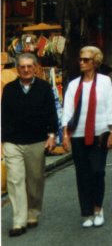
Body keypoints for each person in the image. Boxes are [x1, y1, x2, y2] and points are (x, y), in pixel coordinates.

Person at [1, 52, 59, 237]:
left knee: (35, 180)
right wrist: (2, 140)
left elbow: (52, 113)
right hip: (13, 142)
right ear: (18, 69)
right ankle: (19, 221)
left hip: (36, 141)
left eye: (29, 66)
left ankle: (33, 212)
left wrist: (52, 135)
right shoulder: (9, 89)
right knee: (15, 180)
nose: (26, 70)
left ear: (35, 67)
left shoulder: (44, 88)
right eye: (22, 66)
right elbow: (3, 116)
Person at [62, 46, 112, 228]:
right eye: (81, 59)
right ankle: (86, 213)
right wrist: (65, 134)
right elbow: (67, 110)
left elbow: (110, 106)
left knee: (97, 172)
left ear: (95, 63)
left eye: (86, 60)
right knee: (82, 174)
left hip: (100, 133)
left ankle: (98, 209)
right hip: (78, 134)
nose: (82, 62)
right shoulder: (73, 84)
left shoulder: (104, 82)